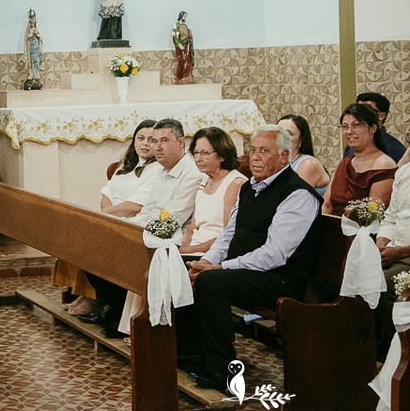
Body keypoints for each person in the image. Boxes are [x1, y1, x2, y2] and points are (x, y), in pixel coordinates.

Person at [179, 125, 323, 391]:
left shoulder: (297, 194)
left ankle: (222, 372)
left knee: (212, 283)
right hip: (250, 272)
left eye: (264, 151)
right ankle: (192, 355)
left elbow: (275, 254)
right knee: (183, 267)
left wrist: (220, 267)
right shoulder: (250, 188)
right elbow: (229, 234)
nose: (254, 157)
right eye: (253, 150)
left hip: (281, 278)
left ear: (284, 156)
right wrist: (207, 261)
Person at [83, 118, 205, 337]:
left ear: (181, 142)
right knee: (97, 249)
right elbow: (148, 210)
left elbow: (173, 220)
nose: (157, 146)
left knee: (123, 252)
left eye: (164, 140)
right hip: (151, 231)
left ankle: (141, 327)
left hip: (173, 238)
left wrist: (136, 234)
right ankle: (125, 319)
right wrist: (127, 231)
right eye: (154, 141)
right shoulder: (161, 171)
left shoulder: (191, 175)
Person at [59, 120, 158, 316]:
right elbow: (108, 192)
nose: (145, 144)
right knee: (76, 241)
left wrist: (105, 215)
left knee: (91, 245)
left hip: (132, 224)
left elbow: (135, 206)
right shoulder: (126, 164)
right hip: (113, 219)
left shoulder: (156, 169)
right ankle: (98, 296)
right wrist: (106, 213)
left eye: (151, 140)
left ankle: (107, 301)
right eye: (140, 138)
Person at [179, 127, 246, 257]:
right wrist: (183, 246)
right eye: (196, 152)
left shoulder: (235, 184)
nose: (198, 159)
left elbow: (229, 235)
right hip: (193, 249)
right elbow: (193, 228)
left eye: (204, 153)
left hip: (215, 254)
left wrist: (188, 251)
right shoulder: (204, 182)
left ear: (222, 155)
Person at [325, 102, 397, 215]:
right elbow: (327, 204)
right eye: (345, 126)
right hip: (333, 227)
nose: (349, 132)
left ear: (373, 128)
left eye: (356, 125)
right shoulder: (346, 162)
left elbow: (373, 214)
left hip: (363, 230)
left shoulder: (384, 164)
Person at [375, 163, 410, 351]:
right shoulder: (405, 171)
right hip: (394, 250)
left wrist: (401, 251)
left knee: (384, 283)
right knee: (357, 273)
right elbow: (390, 218)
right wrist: (381, 243)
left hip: (406, 254)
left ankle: (395, 349)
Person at [344, 93, 407, 163]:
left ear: (381, 115)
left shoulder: (396, 149)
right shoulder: (352, 145)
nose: (359, 115)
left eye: (366, 111)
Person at [277, 114, 330, 196]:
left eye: (289, 134)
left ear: (300, 140)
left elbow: (293, 199)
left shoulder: (309, 164)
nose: (281, 138)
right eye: (278, 132)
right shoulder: (277, 162)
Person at [172, 11, 194, 83]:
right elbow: (174, 36)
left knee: (188, 61)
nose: (185, 18)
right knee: (183, 60)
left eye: (186, 16)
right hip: (182, 46)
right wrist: (178, 44)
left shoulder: (185, 25)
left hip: (187, 45)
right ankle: (182, 76)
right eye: (184, 16)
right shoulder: (176, 25)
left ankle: (187, 76)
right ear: (181, 16)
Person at [24, 9, 43, 87]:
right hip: (30, 49)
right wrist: (32, 34)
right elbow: (27, 38)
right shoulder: (28, 30)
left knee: (36, 63)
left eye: (34, 19)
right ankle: (31, 77)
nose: (33, 21)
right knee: (31, 63)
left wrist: (37, 35)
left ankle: (36, 77)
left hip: (36, 49)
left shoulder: (37, 29)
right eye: (32, 19)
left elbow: (40, 39)